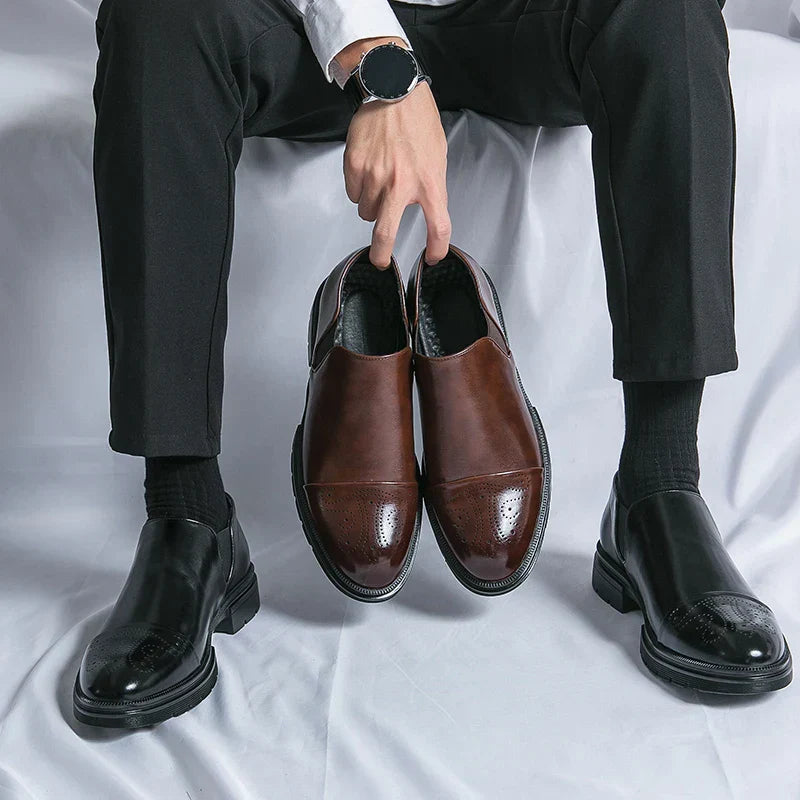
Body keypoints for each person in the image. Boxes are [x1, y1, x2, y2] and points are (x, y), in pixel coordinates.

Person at [72, 0, 792, 728]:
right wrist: (379, 58)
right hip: (315, 33)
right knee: (157, 11)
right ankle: (187, 515)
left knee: (668, 7)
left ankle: (659, 487)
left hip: (524, 18)